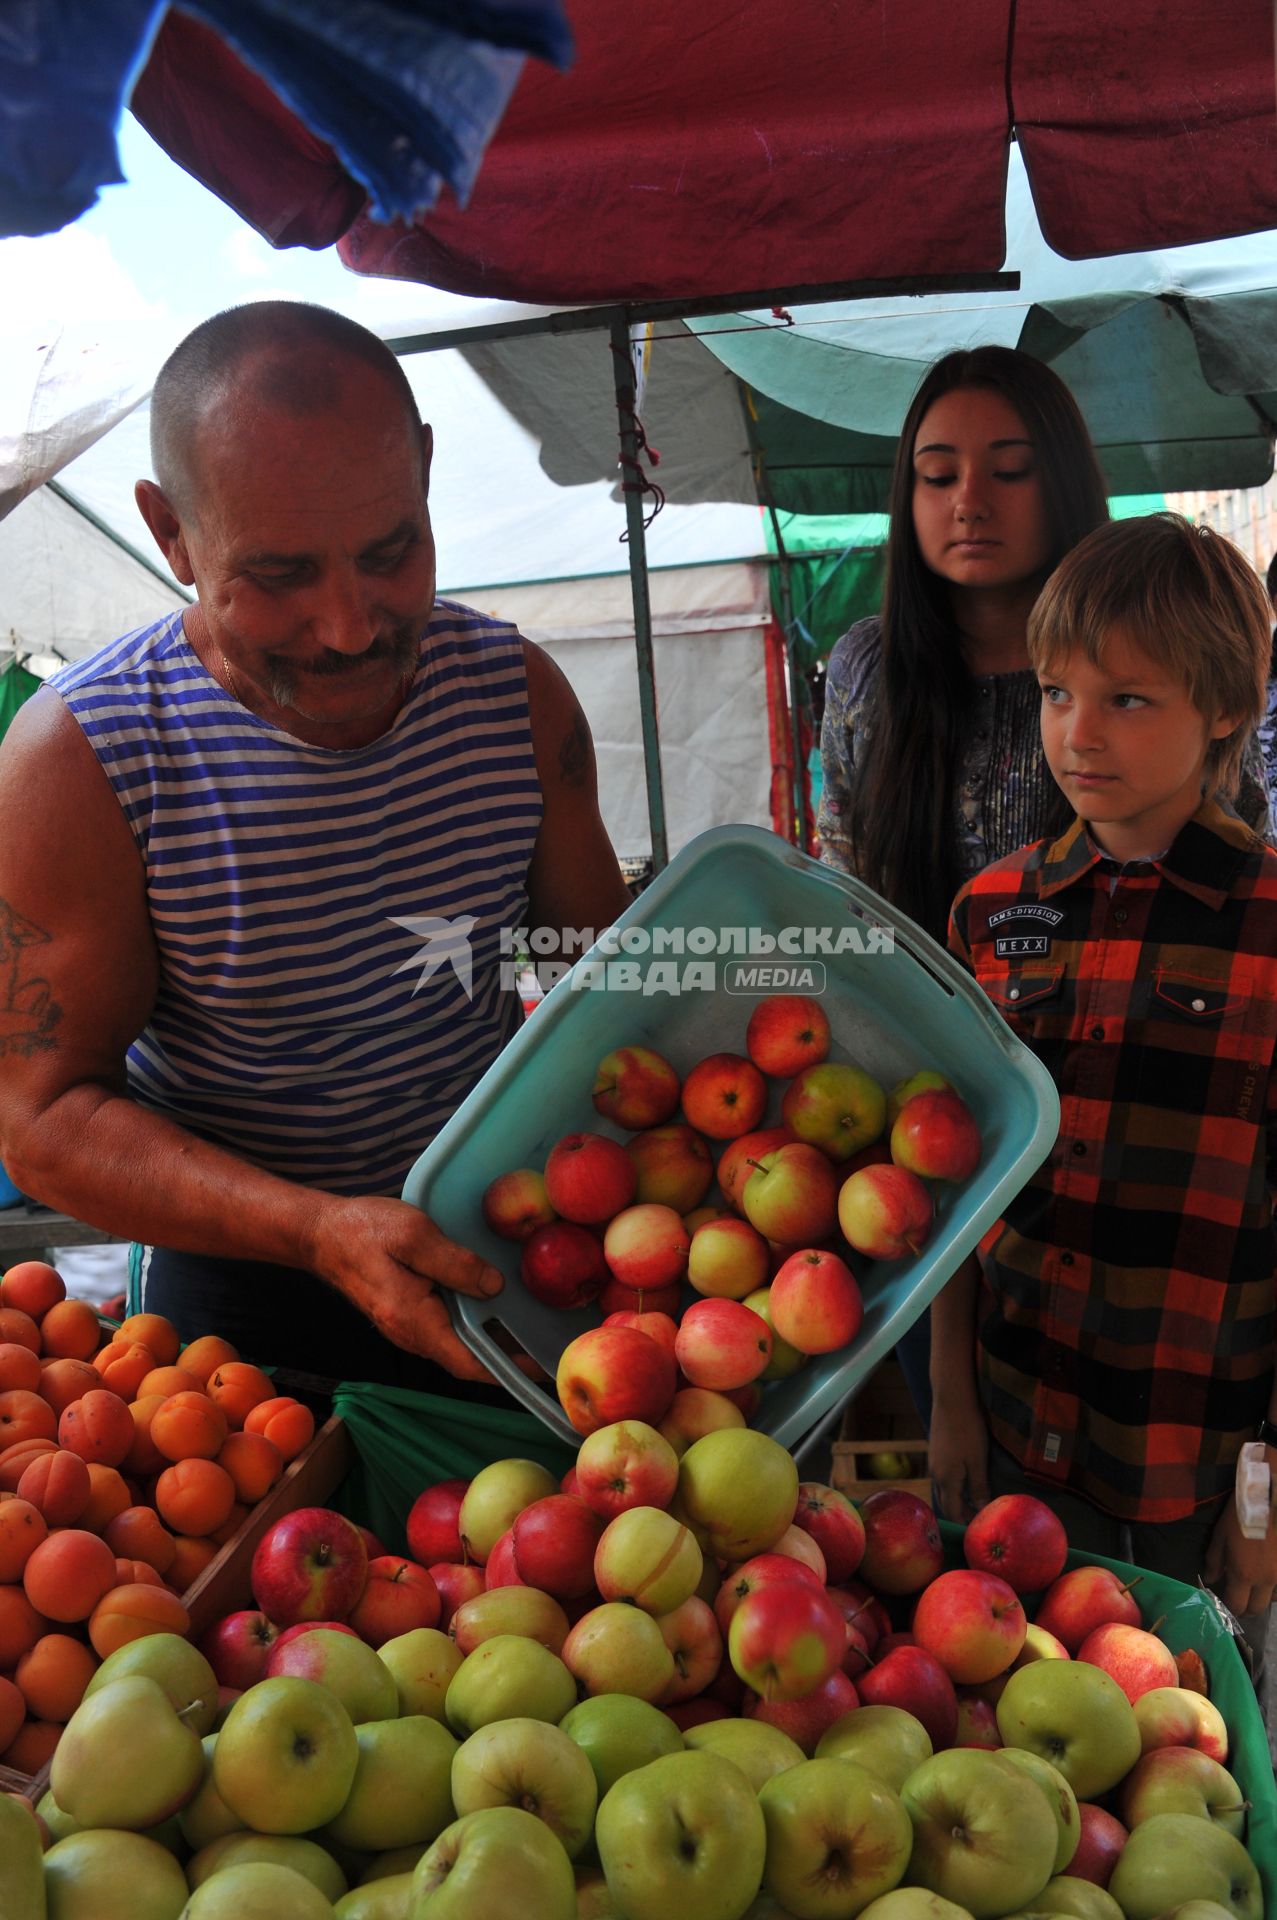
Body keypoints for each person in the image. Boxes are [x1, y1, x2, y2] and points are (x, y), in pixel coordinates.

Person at [0, 301, 633, 1390]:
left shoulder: (513, 699)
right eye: (279, 576)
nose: (348, 625)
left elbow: (609, 997)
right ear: (172, 534)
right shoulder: (81, 758)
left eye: (392, 552)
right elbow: (43, 1118)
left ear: (424, 470)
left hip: (506, 1258)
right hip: (241, 1309)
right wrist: (316, 1230)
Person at [934, 513, 1277, 1664]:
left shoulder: (1270, 927)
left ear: (1223, 706)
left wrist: (1262, 1497)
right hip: (1016, 1427)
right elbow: (952, 1184)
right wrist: (948, 1398)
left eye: (1126, 700)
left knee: (1190, 1735)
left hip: (1195, 1456)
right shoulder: (988, 913)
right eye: (1053, 692)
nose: (1075, 734)